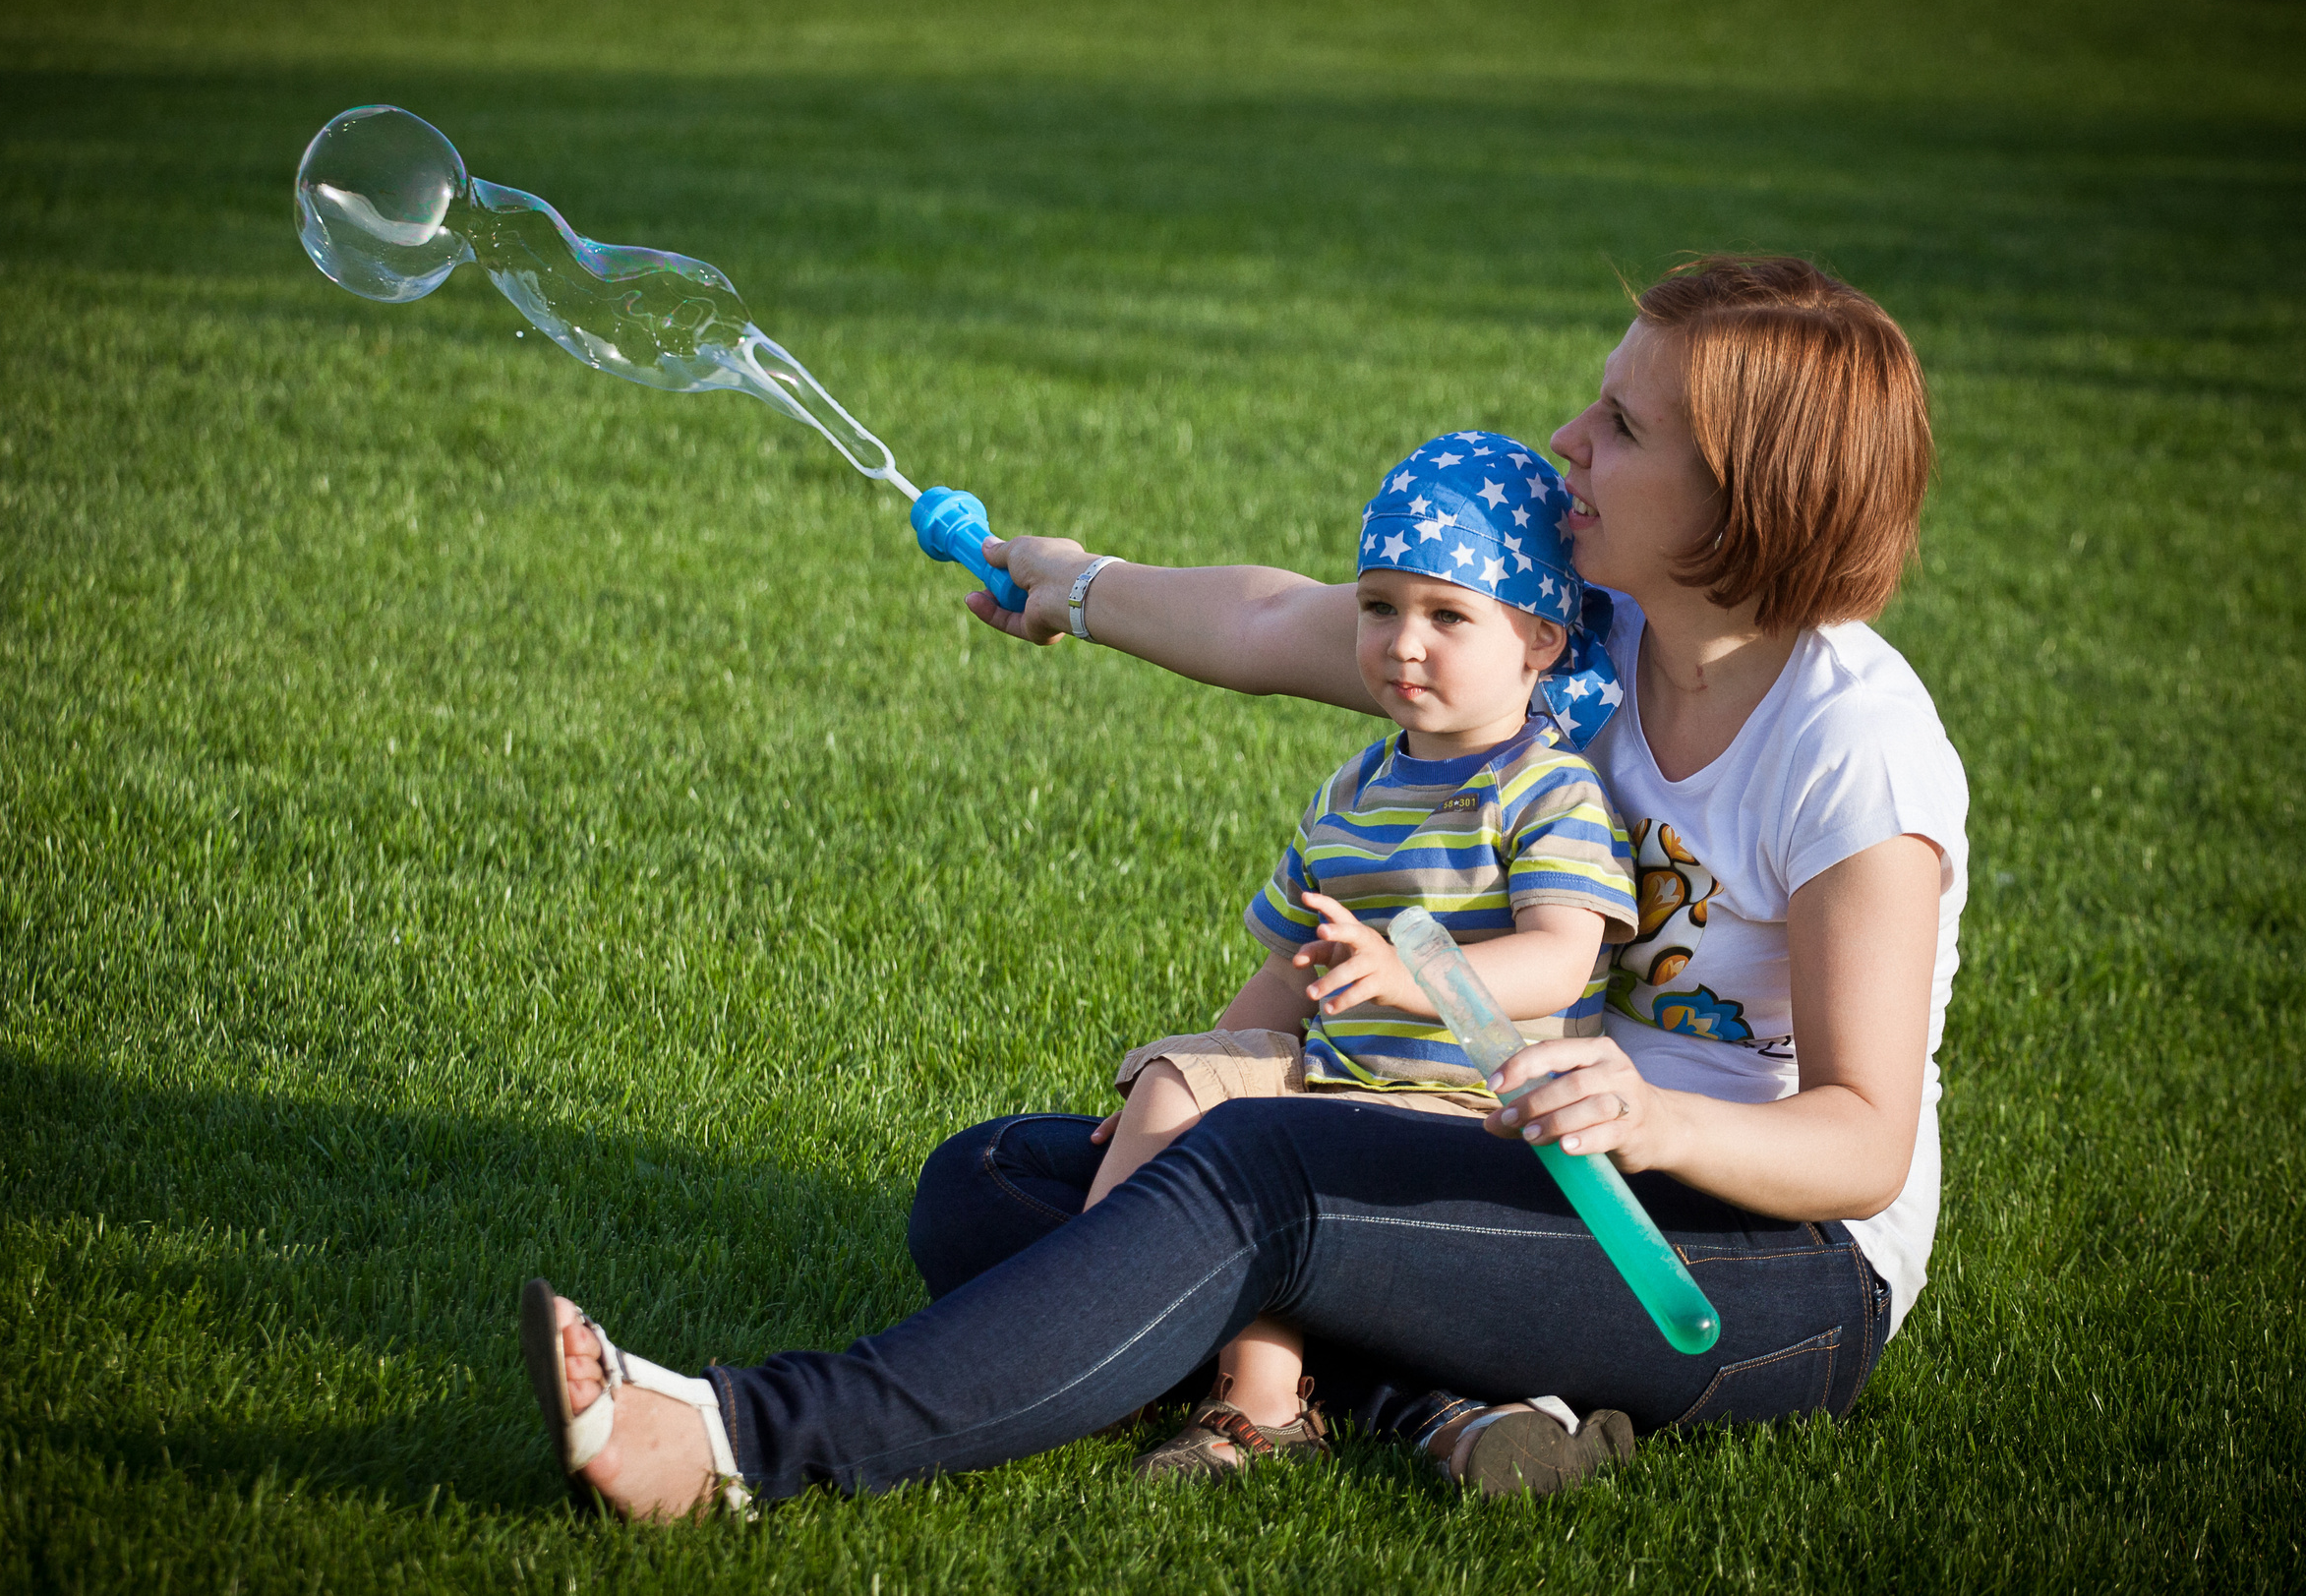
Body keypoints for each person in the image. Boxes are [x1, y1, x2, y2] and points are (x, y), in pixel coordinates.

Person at [517, 254, 1968, 1520]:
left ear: (1748, 502)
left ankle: (742, 1443)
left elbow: (1861, 1141)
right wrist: (1076, 583)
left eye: (1624, 427)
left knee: (1249, 1173)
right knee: (990, 1185)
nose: (1568, 440)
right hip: (1523, 1159)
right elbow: (1277, 618)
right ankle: (1437, 1404)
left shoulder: (1851, 748)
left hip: (1751, 1265)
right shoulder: (1580, 636)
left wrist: (1653, 1114)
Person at [1094, 433, 1640, 1480]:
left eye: (1448, 615)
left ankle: (1252, 1403)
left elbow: (1559, 961)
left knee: (1273, 1147)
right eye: (1378, 607)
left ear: (1539, 636)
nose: (1403, 643)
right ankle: (1109, 1326)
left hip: (1475, 1115)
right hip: (1344, 1087)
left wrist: (1407, 972)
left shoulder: (1549, 789)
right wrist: (1199, 1079)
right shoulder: (1352, 792)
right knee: (1178, 1081)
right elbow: (1287, 975)